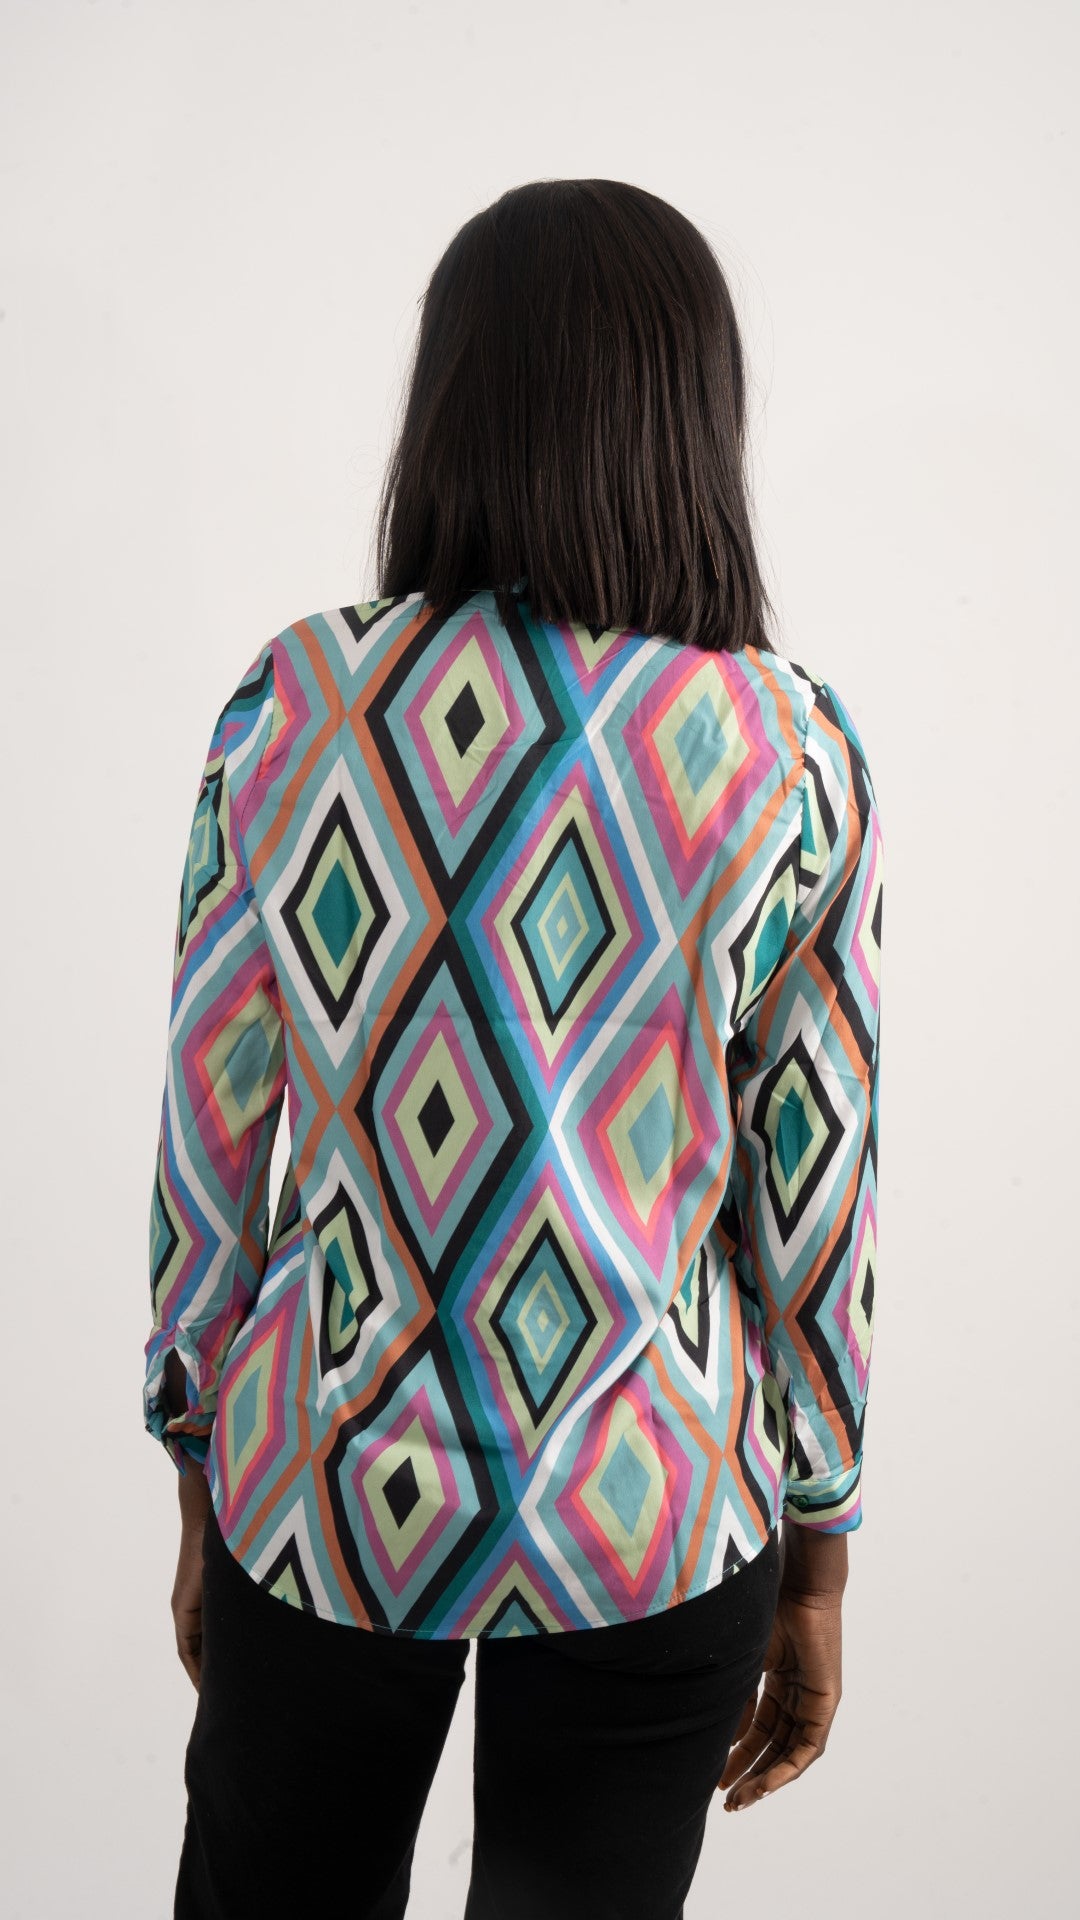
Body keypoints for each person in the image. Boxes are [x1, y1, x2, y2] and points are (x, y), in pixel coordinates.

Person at [142, 177, 884, 1920]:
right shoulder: (786, 750)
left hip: (324, 1481)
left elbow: (213, 1128)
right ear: (695, 416)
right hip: (654, 1501)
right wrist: (821, 1546)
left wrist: (198, 1458)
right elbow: (814, 1188)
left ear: (450, 401)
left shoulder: (297, 703)